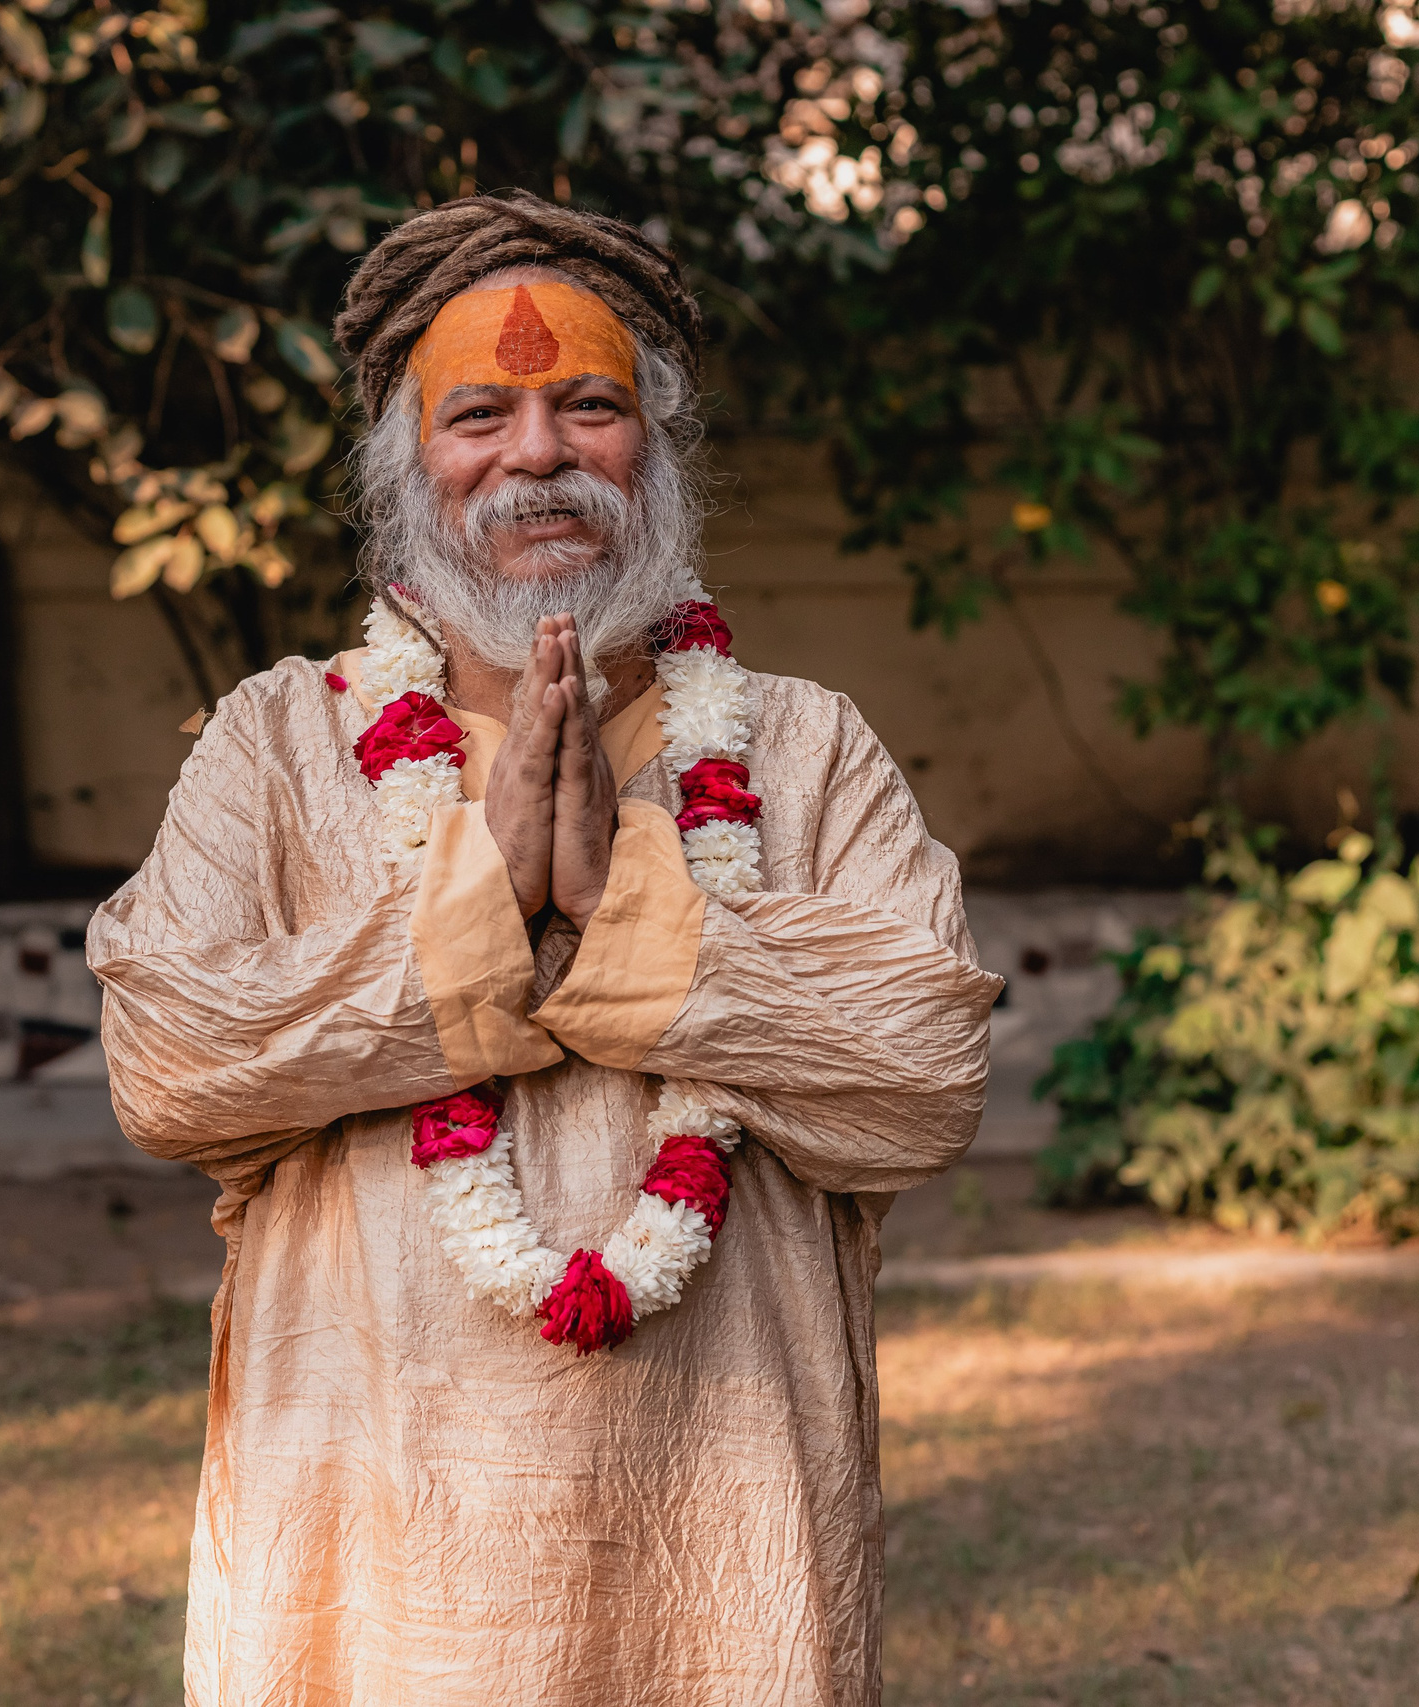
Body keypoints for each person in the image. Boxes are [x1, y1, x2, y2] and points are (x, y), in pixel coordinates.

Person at [88, 189, 1002, 1707]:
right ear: (407, 469)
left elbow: (920, 1075)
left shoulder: (802, 746)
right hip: (377, 1537)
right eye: (479, 417)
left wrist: (618, 892)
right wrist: (491, 898)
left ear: (658, 450)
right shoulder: (279, 744)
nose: (537, 456)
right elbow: (172, 1067)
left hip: (721, 1526)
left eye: (589, 405)